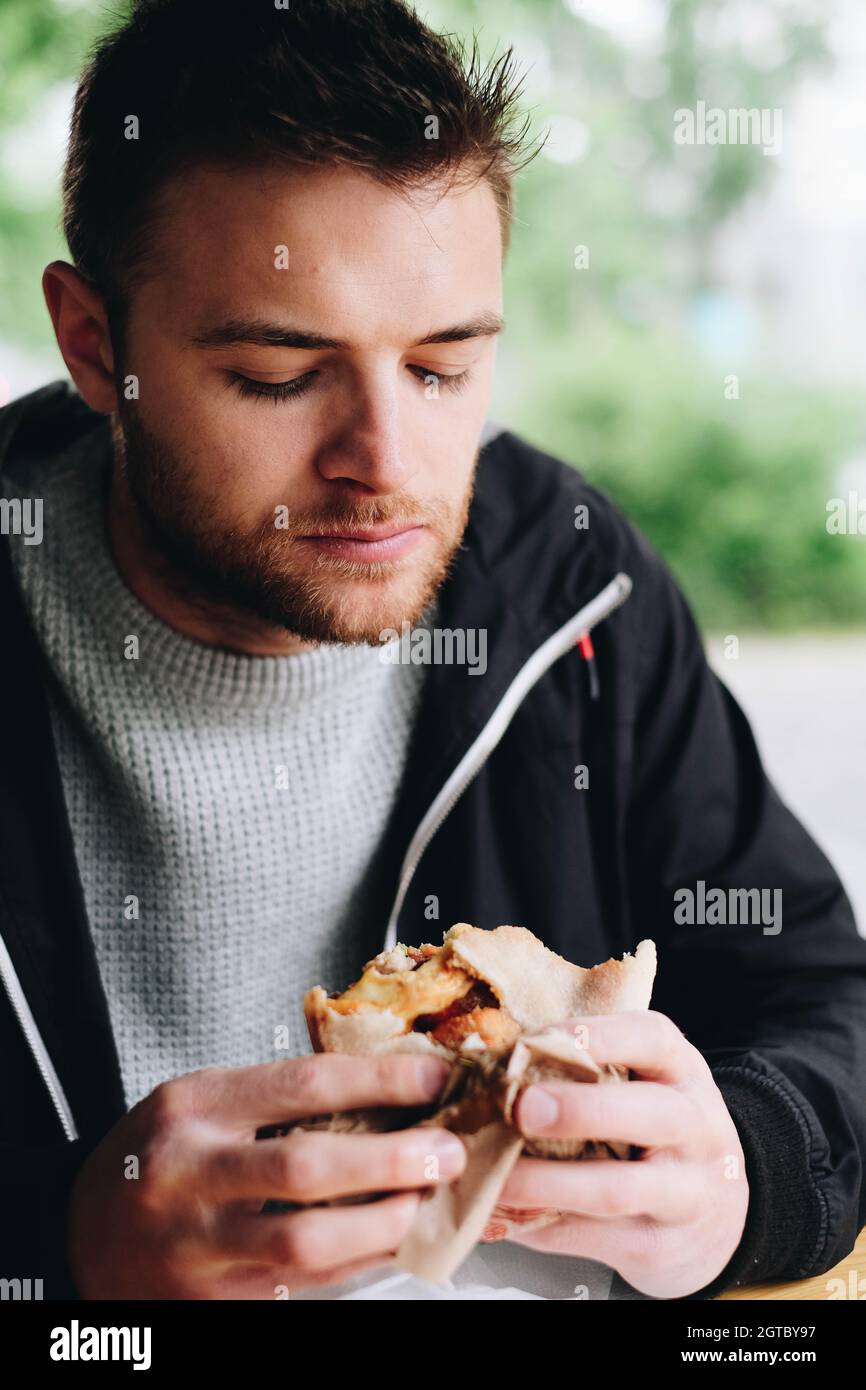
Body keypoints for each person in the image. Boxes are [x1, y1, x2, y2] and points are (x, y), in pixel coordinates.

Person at [1, 0, 864, 1302]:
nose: (386, 467)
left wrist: (742, 1174)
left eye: (444, 366)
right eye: (278, 376)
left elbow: (824, 1004)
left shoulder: (570, 581)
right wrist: (55, 1246)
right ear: (92, 344)